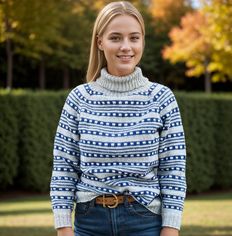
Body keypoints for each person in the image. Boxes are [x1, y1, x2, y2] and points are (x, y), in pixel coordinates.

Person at [50, 1, 187, 236]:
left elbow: (173, 170)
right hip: (89, 223)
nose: (126, 46)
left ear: (143, 41)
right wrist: (64, 228)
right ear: (100, 42)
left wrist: (171, 228)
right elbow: (64, 168)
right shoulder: (79, 98)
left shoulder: (162, 98)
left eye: (134, 38)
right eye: (115, 38)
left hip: (145, 223)